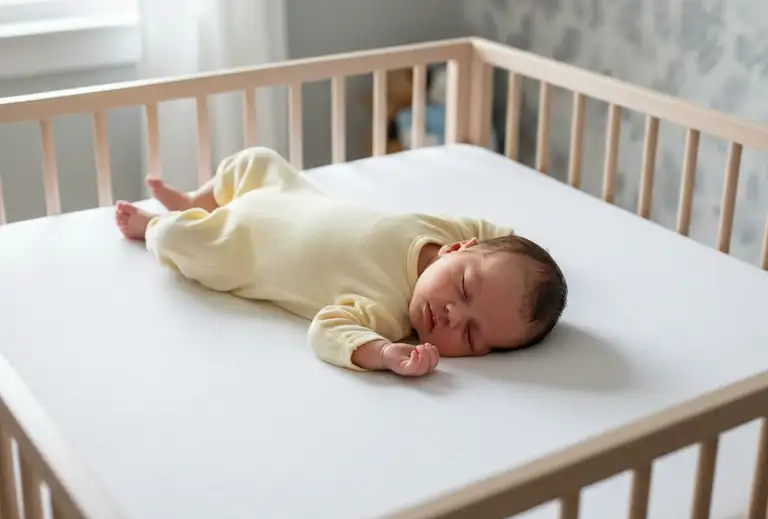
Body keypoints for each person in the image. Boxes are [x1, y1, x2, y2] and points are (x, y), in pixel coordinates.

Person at [115, 147, 567, 377]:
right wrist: (530, 256)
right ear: (458, 249)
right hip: (288, 196)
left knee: (182, 240)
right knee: (257, 159)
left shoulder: (385, 313)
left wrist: (384, 354)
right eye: (465, 290)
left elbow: (327, 332)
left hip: (247, 245)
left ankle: (154, 225)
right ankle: (198, 199)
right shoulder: (443, 232)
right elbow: (498, 236)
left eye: (470, 335)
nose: (451, 315)